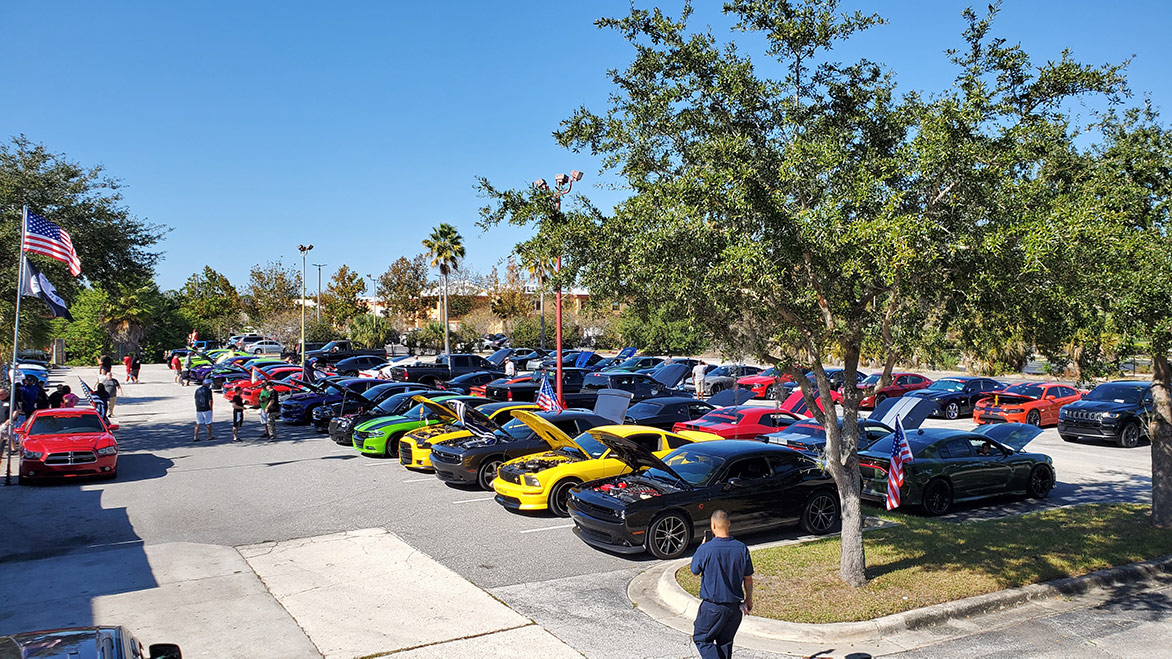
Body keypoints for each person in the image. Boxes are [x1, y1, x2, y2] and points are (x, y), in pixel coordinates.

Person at [690, 509, 754, 659]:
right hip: (734, 608)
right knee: (725, 643)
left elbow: (694, 571)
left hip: (712, 608)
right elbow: (748, 578)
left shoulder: (705, 549)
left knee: (701, 639)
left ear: (713, 526)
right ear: (729, 524)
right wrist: (749, 599)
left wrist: (701, 547)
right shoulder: (741, 548)